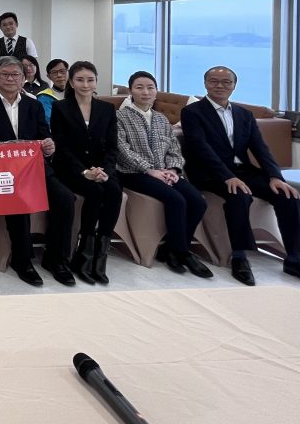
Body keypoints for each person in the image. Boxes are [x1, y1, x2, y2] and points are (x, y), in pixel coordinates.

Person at [181, 66, 300, 285]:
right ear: (205, 84)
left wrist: (275, 176)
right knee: (239, 196)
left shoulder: (244, 114)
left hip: (243, 171)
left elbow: (261, 148)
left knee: (288, 196)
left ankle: (294, 258)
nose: (220, 86)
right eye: (214, 81)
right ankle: (239, 257)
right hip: (210, 173)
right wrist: (227, 176)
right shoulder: (192, 112)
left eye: (226, 82)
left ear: (234, 85)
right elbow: (200, 148)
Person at [0, 56, 76, 287]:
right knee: (19, 199)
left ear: (24, 78)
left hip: (33, 168)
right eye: (5, 74)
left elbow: (43, 136)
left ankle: (56, 258)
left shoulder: (34, 104)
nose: (11, 79)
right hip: (1, 172)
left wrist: (48, 146)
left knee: (65, 198)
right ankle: (22, 260)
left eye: (16, 74)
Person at [116, 71, 212, 278]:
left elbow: (174, 149)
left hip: (164, 172)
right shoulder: (120, 117)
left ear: (156, 91)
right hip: (133, 173)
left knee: (197, 201)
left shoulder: (161, 119)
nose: (145, 92)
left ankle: (172, 248)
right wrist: (149, 170)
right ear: (131, 91)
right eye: (139, 87)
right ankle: (182, 252)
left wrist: (173, 170)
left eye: (150, 87)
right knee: (176, 199)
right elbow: (122, 151)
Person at [50, 61, 123, 285]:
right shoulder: (61, 108)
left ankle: (100, 256)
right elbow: (62, 147)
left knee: (114, 191)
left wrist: (105, 171)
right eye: (80, 80)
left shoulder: (107, 109)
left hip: (101, 168)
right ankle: (84, 255)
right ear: (71, 82)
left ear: (96, 82)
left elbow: (112, 146)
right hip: (71, 168)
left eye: (90, 80)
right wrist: (84, 171)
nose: (85, 84)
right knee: (95, 192)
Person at [36, 58, 68, 124]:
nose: (59, 75)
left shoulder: (77, 93)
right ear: (48, 76)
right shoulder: (44, 97)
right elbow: (48, 121)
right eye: (54, 72)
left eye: (62, 71)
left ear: (68, 72)